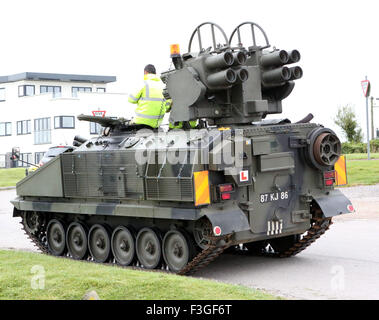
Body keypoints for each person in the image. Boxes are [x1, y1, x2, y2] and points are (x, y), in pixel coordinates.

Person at [128, 64, 170, 129]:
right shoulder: (163, 86)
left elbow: (131, 99)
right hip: (157, 124)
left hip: (141, 122)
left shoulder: (144, 83)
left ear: (145, 72)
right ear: (155, 73)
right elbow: (167, 107)